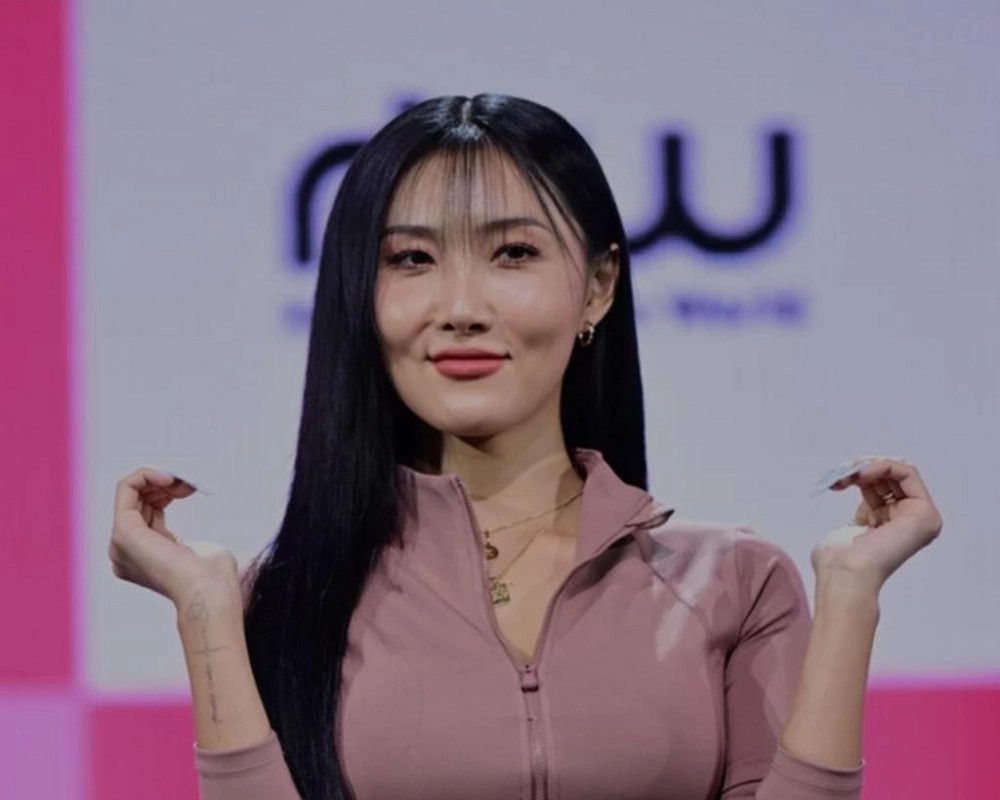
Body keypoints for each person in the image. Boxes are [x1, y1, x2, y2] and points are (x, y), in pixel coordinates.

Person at [108, 94, 944, 800]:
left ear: (599, 285)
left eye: (513, 253)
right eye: (412, 259)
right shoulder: (291, 596)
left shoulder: (733, 581)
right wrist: (205, 611)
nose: (461, 307)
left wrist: (850, 596)